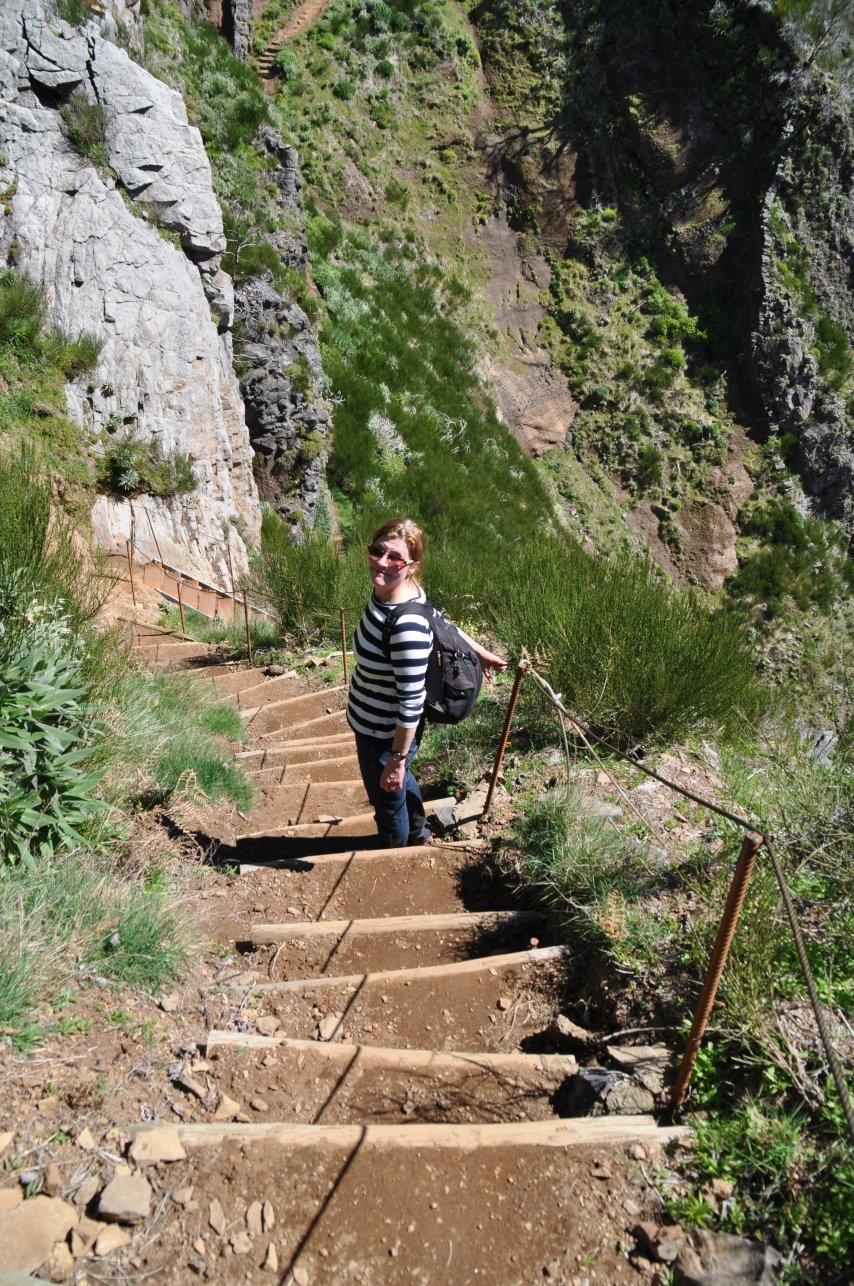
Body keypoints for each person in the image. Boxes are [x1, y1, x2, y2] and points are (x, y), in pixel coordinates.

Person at [346, 517, 508, 849]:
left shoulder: (404, 624)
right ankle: (418, 835)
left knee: (388, 805)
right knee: (399, 787)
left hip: (384, 734)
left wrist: (395, 760)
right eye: (377, 551)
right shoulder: (398, 590)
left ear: (412, 565)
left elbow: (411, 703)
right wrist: (480, 652)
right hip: (375, 723)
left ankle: (396, 853)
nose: (382, 562)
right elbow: (440, 622)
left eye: (395, 559)